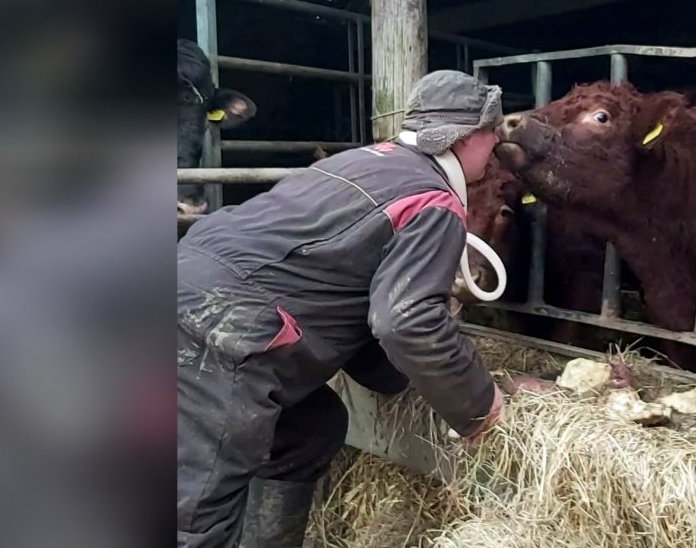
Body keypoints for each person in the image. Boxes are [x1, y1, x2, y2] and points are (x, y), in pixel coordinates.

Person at [177, 71, 508, 548]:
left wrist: (403, 376)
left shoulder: (358, 162)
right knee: (194, 522)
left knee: (311, 427)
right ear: (471, 135)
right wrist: (479, 405)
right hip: (215, 336)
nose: (497, 141)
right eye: (493, 131)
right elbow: (406, 321)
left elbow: (344, 290)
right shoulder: (434, 200)